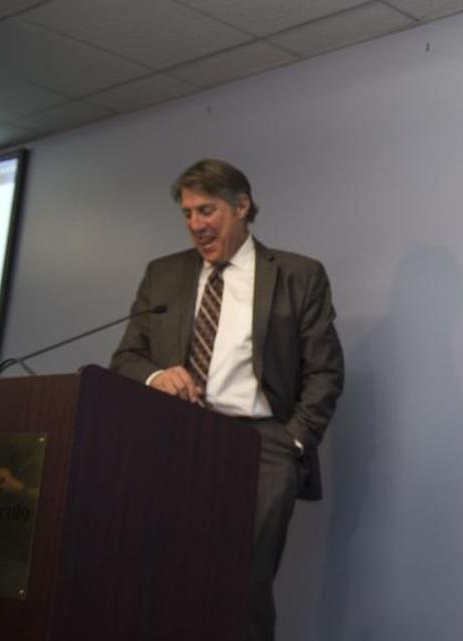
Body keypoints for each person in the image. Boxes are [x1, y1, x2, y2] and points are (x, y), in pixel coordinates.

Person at [111, 158, 344, 641]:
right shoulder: (163, 275)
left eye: (207, 210)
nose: (196, 224)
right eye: (187, 213)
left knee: (242, 586)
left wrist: (293, 444)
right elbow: (126, 358)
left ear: (242, 206)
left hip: (262, 448)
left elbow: (324, 371)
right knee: (161, 576)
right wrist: (157, 375)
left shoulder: (298, 275)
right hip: (174, 440)